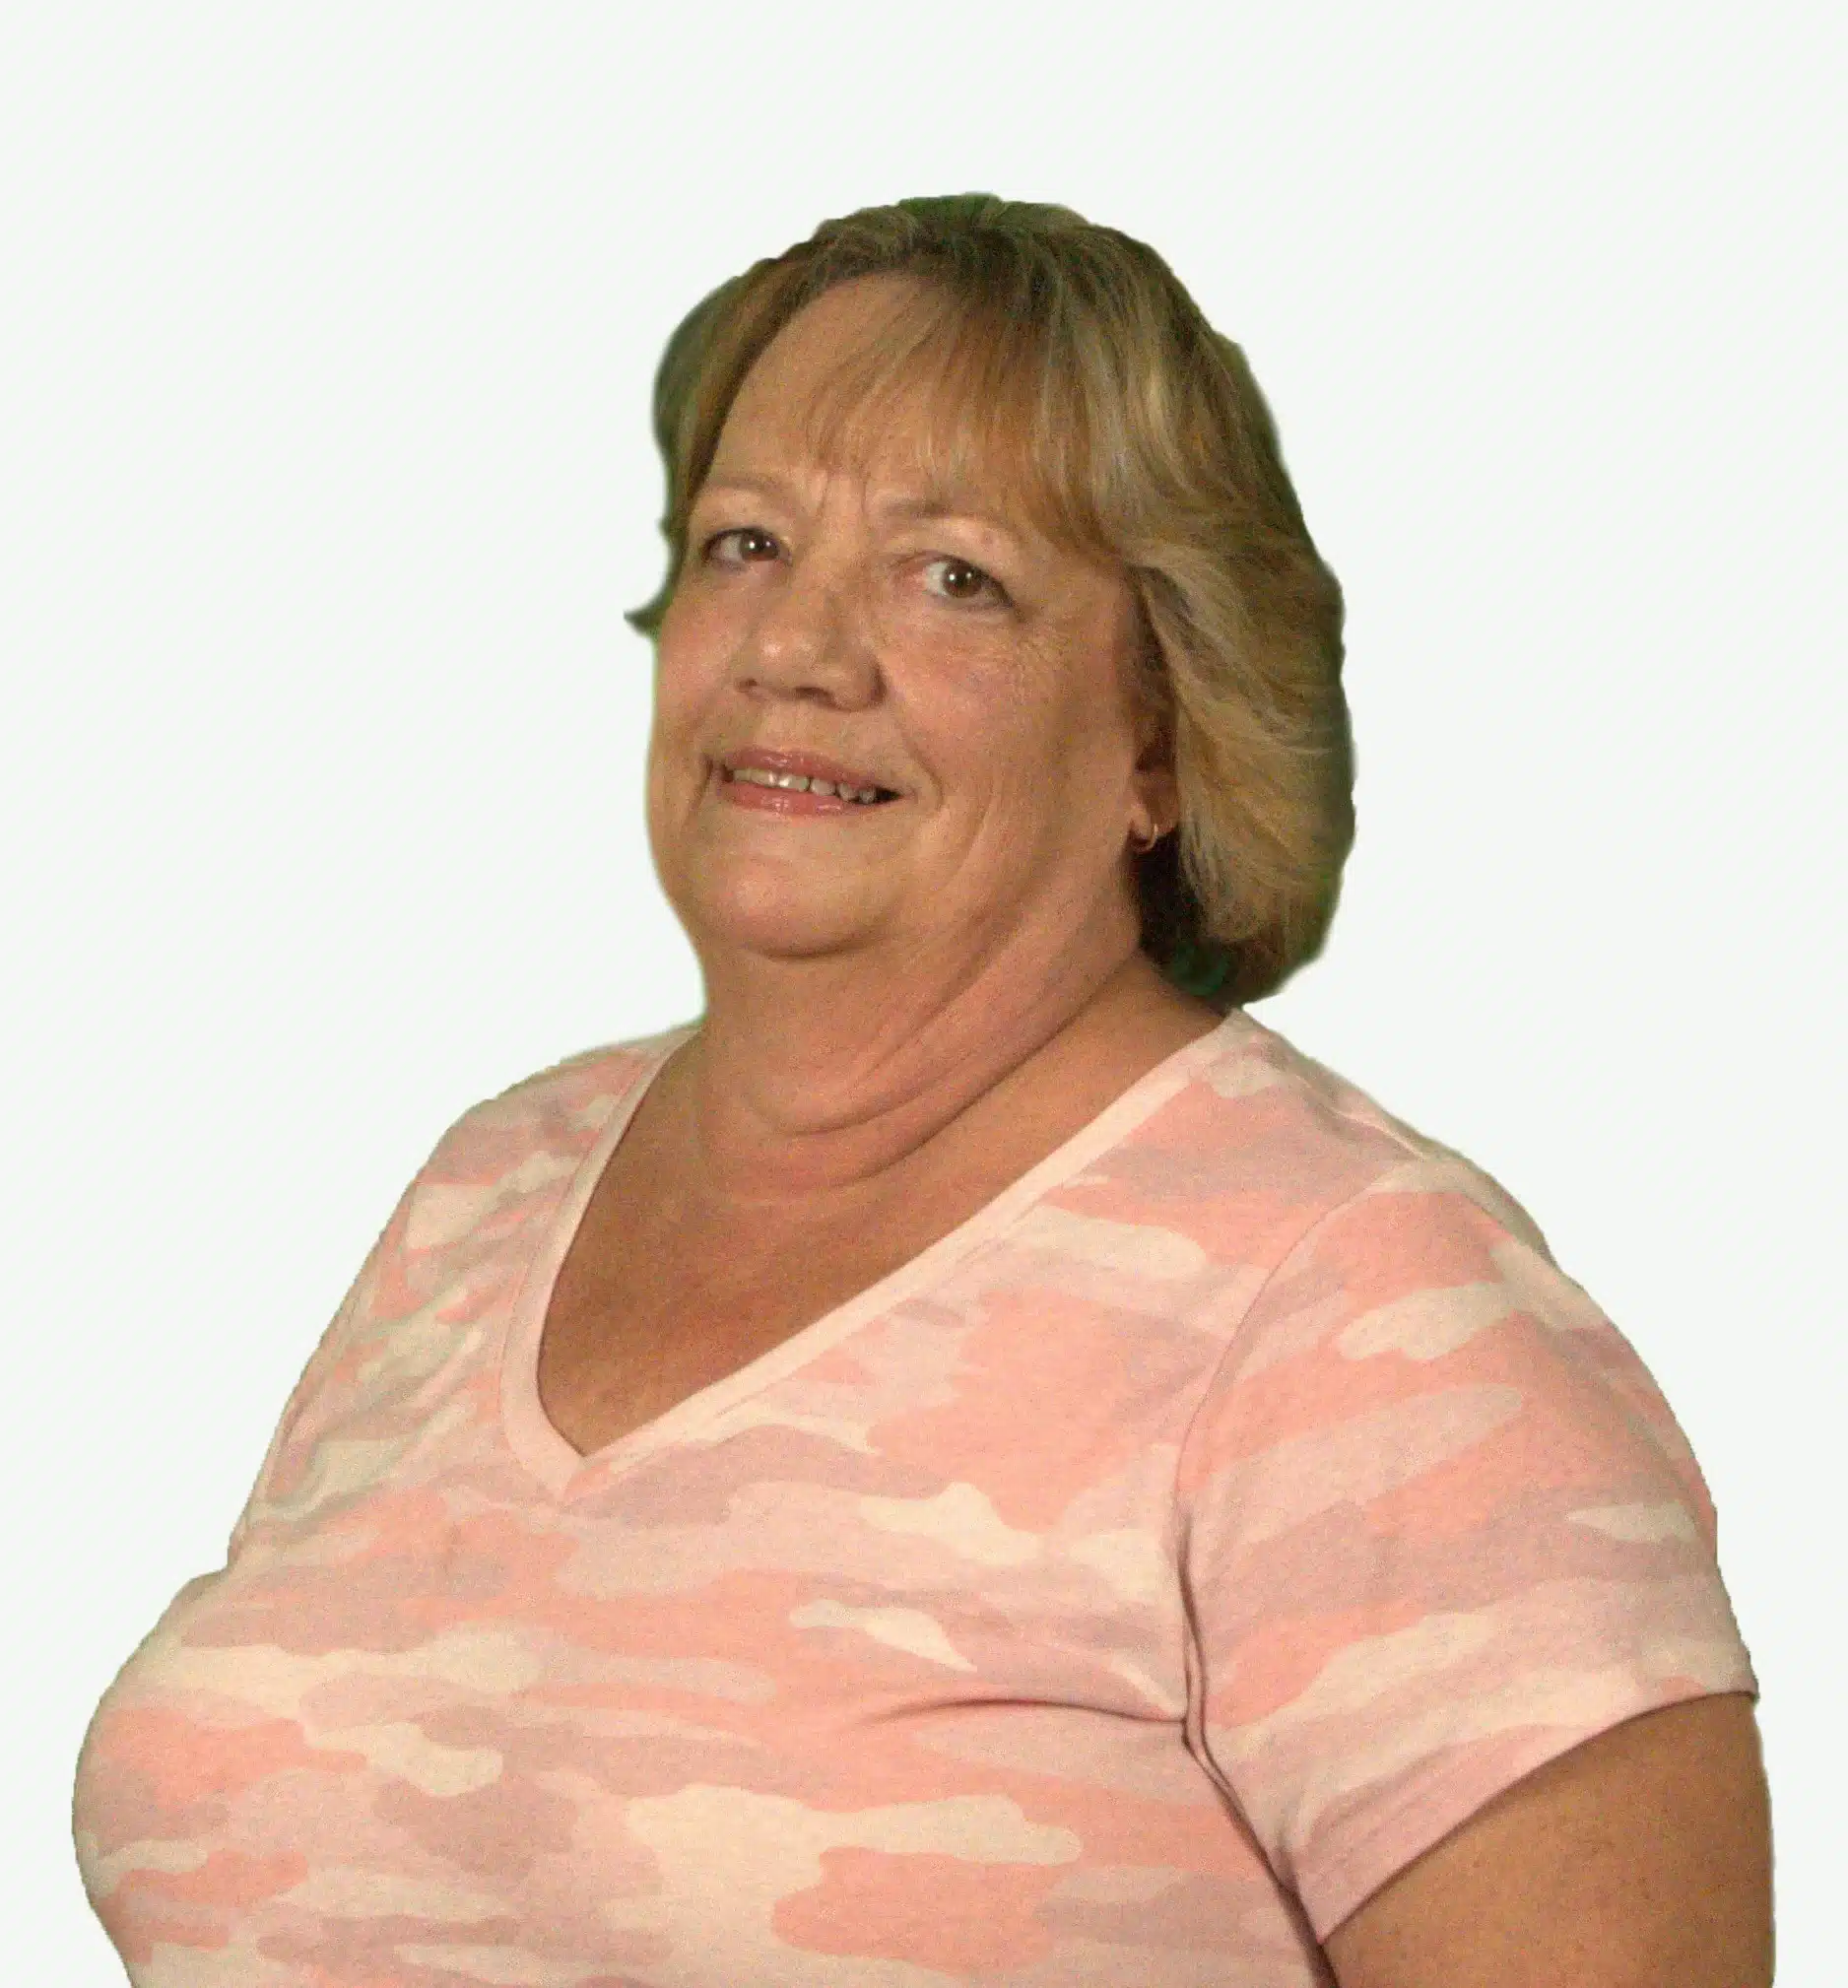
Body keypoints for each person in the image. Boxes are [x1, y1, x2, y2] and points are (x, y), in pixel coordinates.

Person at [73, 194, 1770, 1987]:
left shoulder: (1367, 1316)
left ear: (1162, 738)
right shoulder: (494, 1187)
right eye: (744, 543)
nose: (796, 646)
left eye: (953, 573)